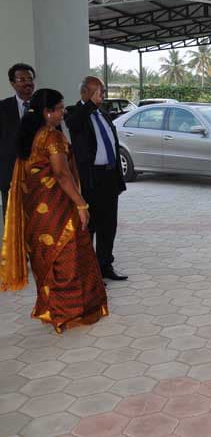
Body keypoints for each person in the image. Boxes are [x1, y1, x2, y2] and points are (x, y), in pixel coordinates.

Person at [0, 89, 108, 332]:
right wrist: (81, 204)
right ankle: (70, 312)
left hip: (36, 214)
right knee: (70, 255)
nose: (63, 112)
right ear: (48, 112)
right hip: (58, 209)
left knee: (45, 258)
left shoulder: (30, 136)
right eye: (59, 108)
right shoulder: (51, 137)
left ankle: (52, 308)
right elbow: (61, 173)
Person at [64, 77, 127, 281]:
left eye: (103, 90)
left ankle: (105, 265)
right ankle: (89, 272)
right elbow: (74, 124)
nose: (103, 94)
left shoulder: (103, 113)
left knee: (109, 225)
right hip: (91, 179)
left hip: (109, 177)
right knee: (89, 226)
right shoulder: (74, 113)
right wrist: (89, 103)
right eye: (98, 91)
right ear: (85, 92)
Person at [1, 63, 36, 219]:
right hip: (11, 177)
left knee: (40, 226)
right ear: (12, 83)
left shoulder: (45, 106)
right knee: (13, 222)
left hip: (40, 178)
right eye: (22, 79)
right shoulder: (3, 108)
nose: (27, 82)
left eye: (30, 78)